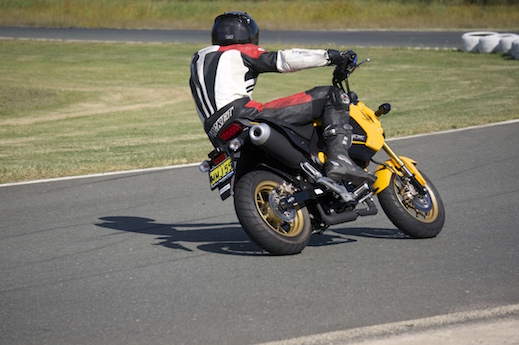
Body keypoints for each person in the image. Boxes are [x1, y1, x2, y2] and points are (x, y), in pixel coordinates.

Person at [189, 11, 375, 185]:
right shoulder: (239, 50)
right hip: (245, 114)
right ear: (248, 33)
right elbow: (284, 60)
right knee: (331, 96)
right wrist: (332, 57)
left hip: (217, 134)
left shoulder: (197, 59)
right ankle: (339, 159)